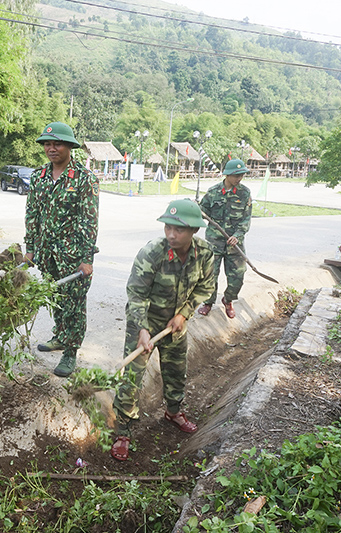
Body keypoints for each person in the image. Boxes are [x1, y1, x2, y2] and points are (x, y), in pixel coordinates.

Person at [111, 199, 215, 462]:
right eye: (168, 227)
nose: (171, 234)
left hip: (176, 326)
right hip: (144, 323)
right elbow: (136, 294)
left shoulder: (204, 253)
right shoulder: (152, 253)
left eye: (178, 230)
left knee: (176, 370)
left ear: (194, 230)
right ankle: (123, 431)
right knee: (132, 379)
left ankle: (173, 411)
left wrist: (183, 314)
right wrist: (142, 329)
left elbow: (206, 287)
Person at [24, 121, 99, 377]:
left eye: (57, 143)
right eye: (47, 144)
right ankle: (60, 336)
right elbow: (32, 213)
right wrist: (31, 248)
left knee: (74, 303)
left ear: (69, 146)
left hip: (74, 254)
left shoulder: (84, 178)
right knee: (55, 296)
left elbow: (89, 219)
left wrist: (87, 258)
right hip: (47, 252)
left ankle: (70, 351)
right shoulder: (38, 177)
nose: (51, 148)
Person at [195, 158, 252, 319]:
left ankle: (228, 300)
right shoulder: (213, 192)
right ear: (227, 175)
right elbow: (202, 210)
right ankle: (208, 302)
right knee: (210, 274)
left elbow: (246, 219)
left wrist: (237, 235)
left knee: (237, 277)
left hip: (235, 244)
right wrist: (196, 208)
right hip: (215, 241)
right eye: (236, 175)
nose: (239, 179)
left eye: (241, 175)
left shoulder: (244, 193)